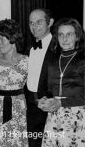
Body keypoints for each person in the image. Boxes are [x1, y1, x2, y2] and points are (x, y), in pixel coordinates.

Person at [38, 18, 85, 147]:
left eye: (69, 34)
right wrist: (43, 99)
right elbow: (48, 89)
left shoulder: (83, 59)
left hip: (78, 116)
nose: (64, 38)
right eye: (61, 34)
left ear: (77, 37)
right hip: (55, 116)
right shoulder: (52, 59)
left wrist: (61, 102)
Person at [26, 9, 54, 147]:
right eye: (31, 23)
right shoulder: (29, 49)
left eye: (39, 22)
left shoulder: (59, 47)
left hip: (50, 108)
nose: (34, 26)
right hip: (30, 108)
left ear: (50, 23)